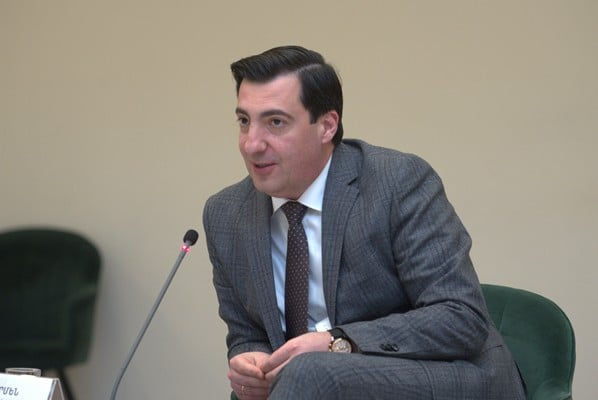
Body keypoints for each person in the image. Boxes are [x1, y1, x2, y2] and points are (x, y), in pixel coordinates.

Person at [203, 45, 526, 400]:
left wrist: (337, 342)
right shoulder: (225, 214)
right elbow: (247, 333)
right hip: (309, 388)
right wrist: (251, 362)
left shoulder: (397, 182)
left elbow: (461, 317)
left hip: (446, 374)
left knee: (311, 372)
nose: (251, 144)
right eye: (244, 121)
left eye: (275, 123)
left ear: (327, 126)